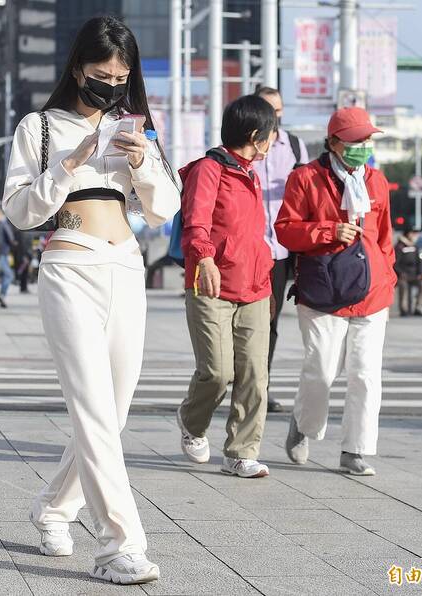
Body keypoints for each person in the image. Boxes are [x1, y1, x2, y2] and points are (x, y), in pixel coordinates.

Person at [2, 16, 180, 585]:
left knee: (114, 413)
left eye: (122, 76)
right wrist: (70, 165)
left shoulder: (138, 128)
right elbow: (19, 211)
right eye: (102, 73)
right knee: (93, 410)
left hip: (126, 267)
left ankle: (53, 508)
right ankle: (120, 545)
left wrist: (140, 161)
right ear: (79, 68)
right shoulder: (40, 126)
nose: (111, 83)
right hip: (68, 267)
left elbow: (164, 211)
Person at [276, 106, 396, 476]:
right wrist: (328, 231)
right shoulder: (306, 178)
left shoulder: (376, 180)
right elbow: (285, 229)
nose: (363, 145)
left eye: (367, 139)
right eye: (355, 140)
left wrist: (387, 276)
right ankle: (305, 425)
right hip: (323, 294)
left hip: (371, 294)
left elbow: (385, 236)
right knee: (321, 371)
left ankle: (355, 450)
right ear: (333, 142)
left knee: (364, 374)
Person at [175, 95, 277, 479]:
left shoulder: (250, 172)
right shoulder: (209, 169)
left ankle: (241, 452)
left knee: (254, 372)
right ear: (255, 135)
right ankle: (191, 420)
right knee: (217, 372)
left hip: (254, 286)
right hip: (210, 282)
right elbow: (195, 221)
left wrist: (265, 272)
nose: (272, 142)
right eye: (270, 135)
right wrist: (203, 257)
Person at [252, 86, 309, 413]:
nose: (274, 116)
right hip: (250, 246)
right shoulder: (245, 144)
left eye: (278, 110)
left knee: (270, 321)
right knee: (246, 319)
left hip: (284, 249)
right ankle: (240, 377)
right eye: (267, 109)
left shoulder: (296, 147)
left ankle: (262, 386)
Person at [394, 227, 422, 316]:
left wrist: (421, 273)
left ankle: (418, 308)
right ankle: (403, 309)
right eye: (413, 233)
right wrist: (401, 273)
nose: (415, 236)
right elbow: (395, 263)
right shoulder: (400, 246)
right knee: (403, 287)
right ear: (408, 234)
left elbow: (420, 262)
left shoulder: (415, 246)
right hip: (403, 275)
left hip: (414, 274)